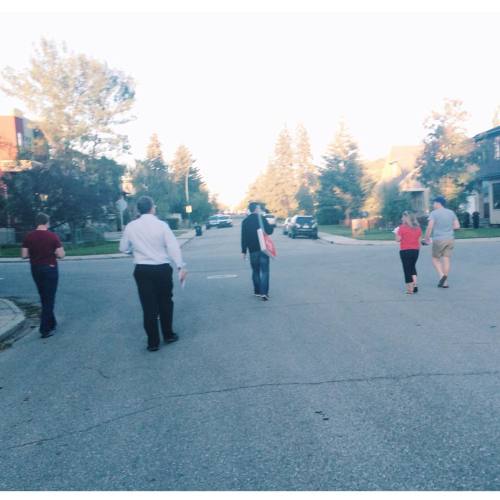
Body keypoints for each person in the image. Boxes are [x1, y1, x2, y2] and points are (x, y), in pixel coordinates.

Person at [120, 196, 187, 352]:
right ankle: (168, 334)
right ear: (152, 208)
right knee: (165, 302)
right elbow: (172, 247)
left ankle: (153, 342)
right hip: (162, 268)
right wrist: (179, 265)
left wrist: (133, 251)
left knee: (148, 306)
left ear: (139, 209)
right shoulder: (162, 225)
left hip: (142, 269)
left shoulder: (131, 226)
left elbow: (123, 248)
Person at [21, 213, 65, 338]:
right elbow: (61, 255)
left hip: (35, 268)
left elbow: (24, 255)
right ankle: (44, 329)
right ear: (47, 222)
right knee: (49, 298)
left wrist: (35, 254)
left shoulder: (29, 236)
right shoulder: (52, 236)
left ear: (37, 222)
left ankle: (52, 322)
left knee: (43, 296)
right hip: (50, 268)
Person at [424, 195, 460, 288]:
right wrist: (447, 229)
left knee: (435, 259)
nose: (433, 204)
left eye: (434, 203)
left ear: (438, 203)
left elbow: (430, 227)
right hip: (450, 239)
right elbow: (457, 226)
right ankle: (445, 281)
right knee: (446, 258)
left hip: (439, 239)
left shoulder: (434, 213)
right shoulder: (451, 212)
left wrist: (426, 238)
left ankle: (442, 277)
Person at [241, 202, 274, 301]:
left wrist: (243, 251)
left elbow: (244, 237)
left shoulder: (245, 221)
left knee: (255, 271)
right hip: (263, 249)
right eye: (258, 208)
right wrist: (269, 225)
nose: (259, 210)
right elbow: (269, 231)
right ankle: (264, 293)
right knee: (265, 271)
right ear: (255, 209)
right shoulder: (262, 219)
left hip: (252, 250)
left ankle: (257, 291)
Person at [395, 211, 422, 294]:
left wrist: (396, 232)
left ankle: (409, 289)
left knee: (407, 269)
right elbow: (419, 241)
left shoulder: (401, 228)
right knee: (412, 267)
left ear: (406, 218)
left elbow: (397, 240)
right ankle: (415, 285)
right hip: (415, 251)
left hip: (405, 251)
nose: (401, 218)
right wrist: (417, 249)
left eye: (403, 217)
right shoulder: (418, 228)